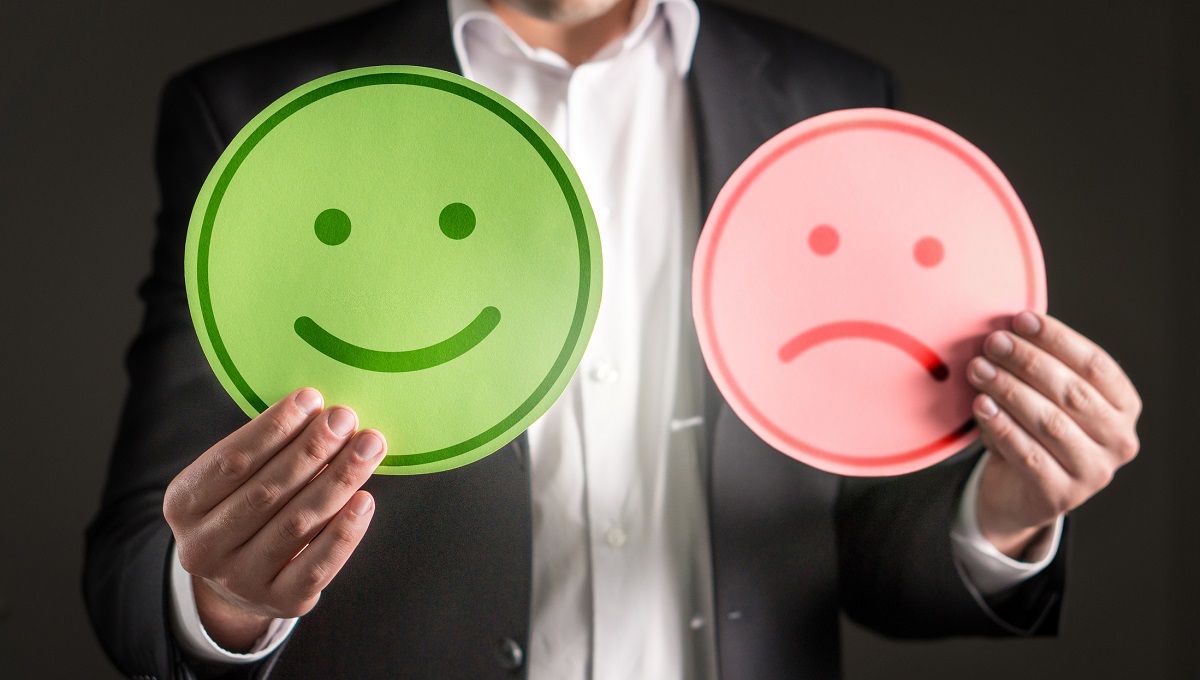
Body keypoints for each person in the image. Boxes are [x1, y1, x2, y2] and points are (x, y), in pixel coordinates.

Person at [84, 0, 1142, 678]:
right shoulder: (257, 110)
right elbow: (140, 555)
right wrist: (222, 596)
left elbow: (845, 554)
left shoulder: (834, 101)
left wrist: (998, 512)